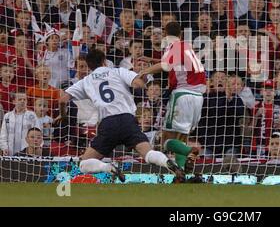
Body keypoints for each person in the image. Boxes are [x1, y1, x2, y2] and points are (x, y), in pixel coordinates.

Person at [59, 49, 185, 182]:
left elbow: (62, 100)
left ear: (89, 66)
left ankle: (108, 168)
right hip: (127, 120)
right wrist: (143, 78)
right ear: (104, 61)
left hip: (108, 124)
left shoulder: (86, 81)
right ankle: (168, 163)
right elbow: (138, 85)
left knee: (84, 163)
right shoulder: (118, 71)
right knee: (148, 153)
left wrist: (63, 115)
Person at [140, 21, 206, 174]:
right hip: (198, 98)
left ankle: (191, 150)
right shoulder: (187, 47)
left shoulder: (174, 47)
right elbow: (174, 64)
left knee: (166, 140)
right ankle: (182, 171)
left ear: (164, 35)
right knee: (181, 138)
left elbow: (165, 66)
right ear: (181, 34)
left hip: (183, 95)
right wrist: (152, 61)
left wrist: (144, 71)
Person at [0, 91, 42, 156]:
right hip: (10, 152)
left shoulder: (32, 115)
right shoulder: (7, 116)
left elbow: (39, 133)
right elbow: (3, 135)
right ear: (14, 101)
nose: (22, 101)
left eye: (24, 99)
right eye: (20, 99)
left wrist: (37, 148)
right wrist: (4, 148)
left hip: (28, 153)